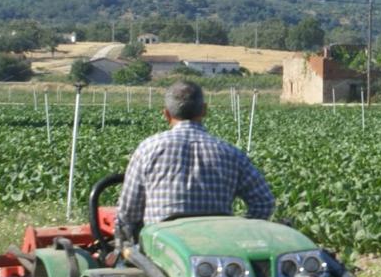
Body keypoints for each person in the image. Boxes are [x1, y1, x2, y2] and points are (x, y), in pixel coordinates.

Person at [117, 81, 275, 235]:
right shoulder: (231, 153)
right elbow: (264, 203)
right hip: (217, 247)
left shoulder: (148, 149)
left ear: (166, 114)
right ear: (204, 110)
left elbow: (128, 212)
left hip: (162, 248)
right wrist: (236, 232)